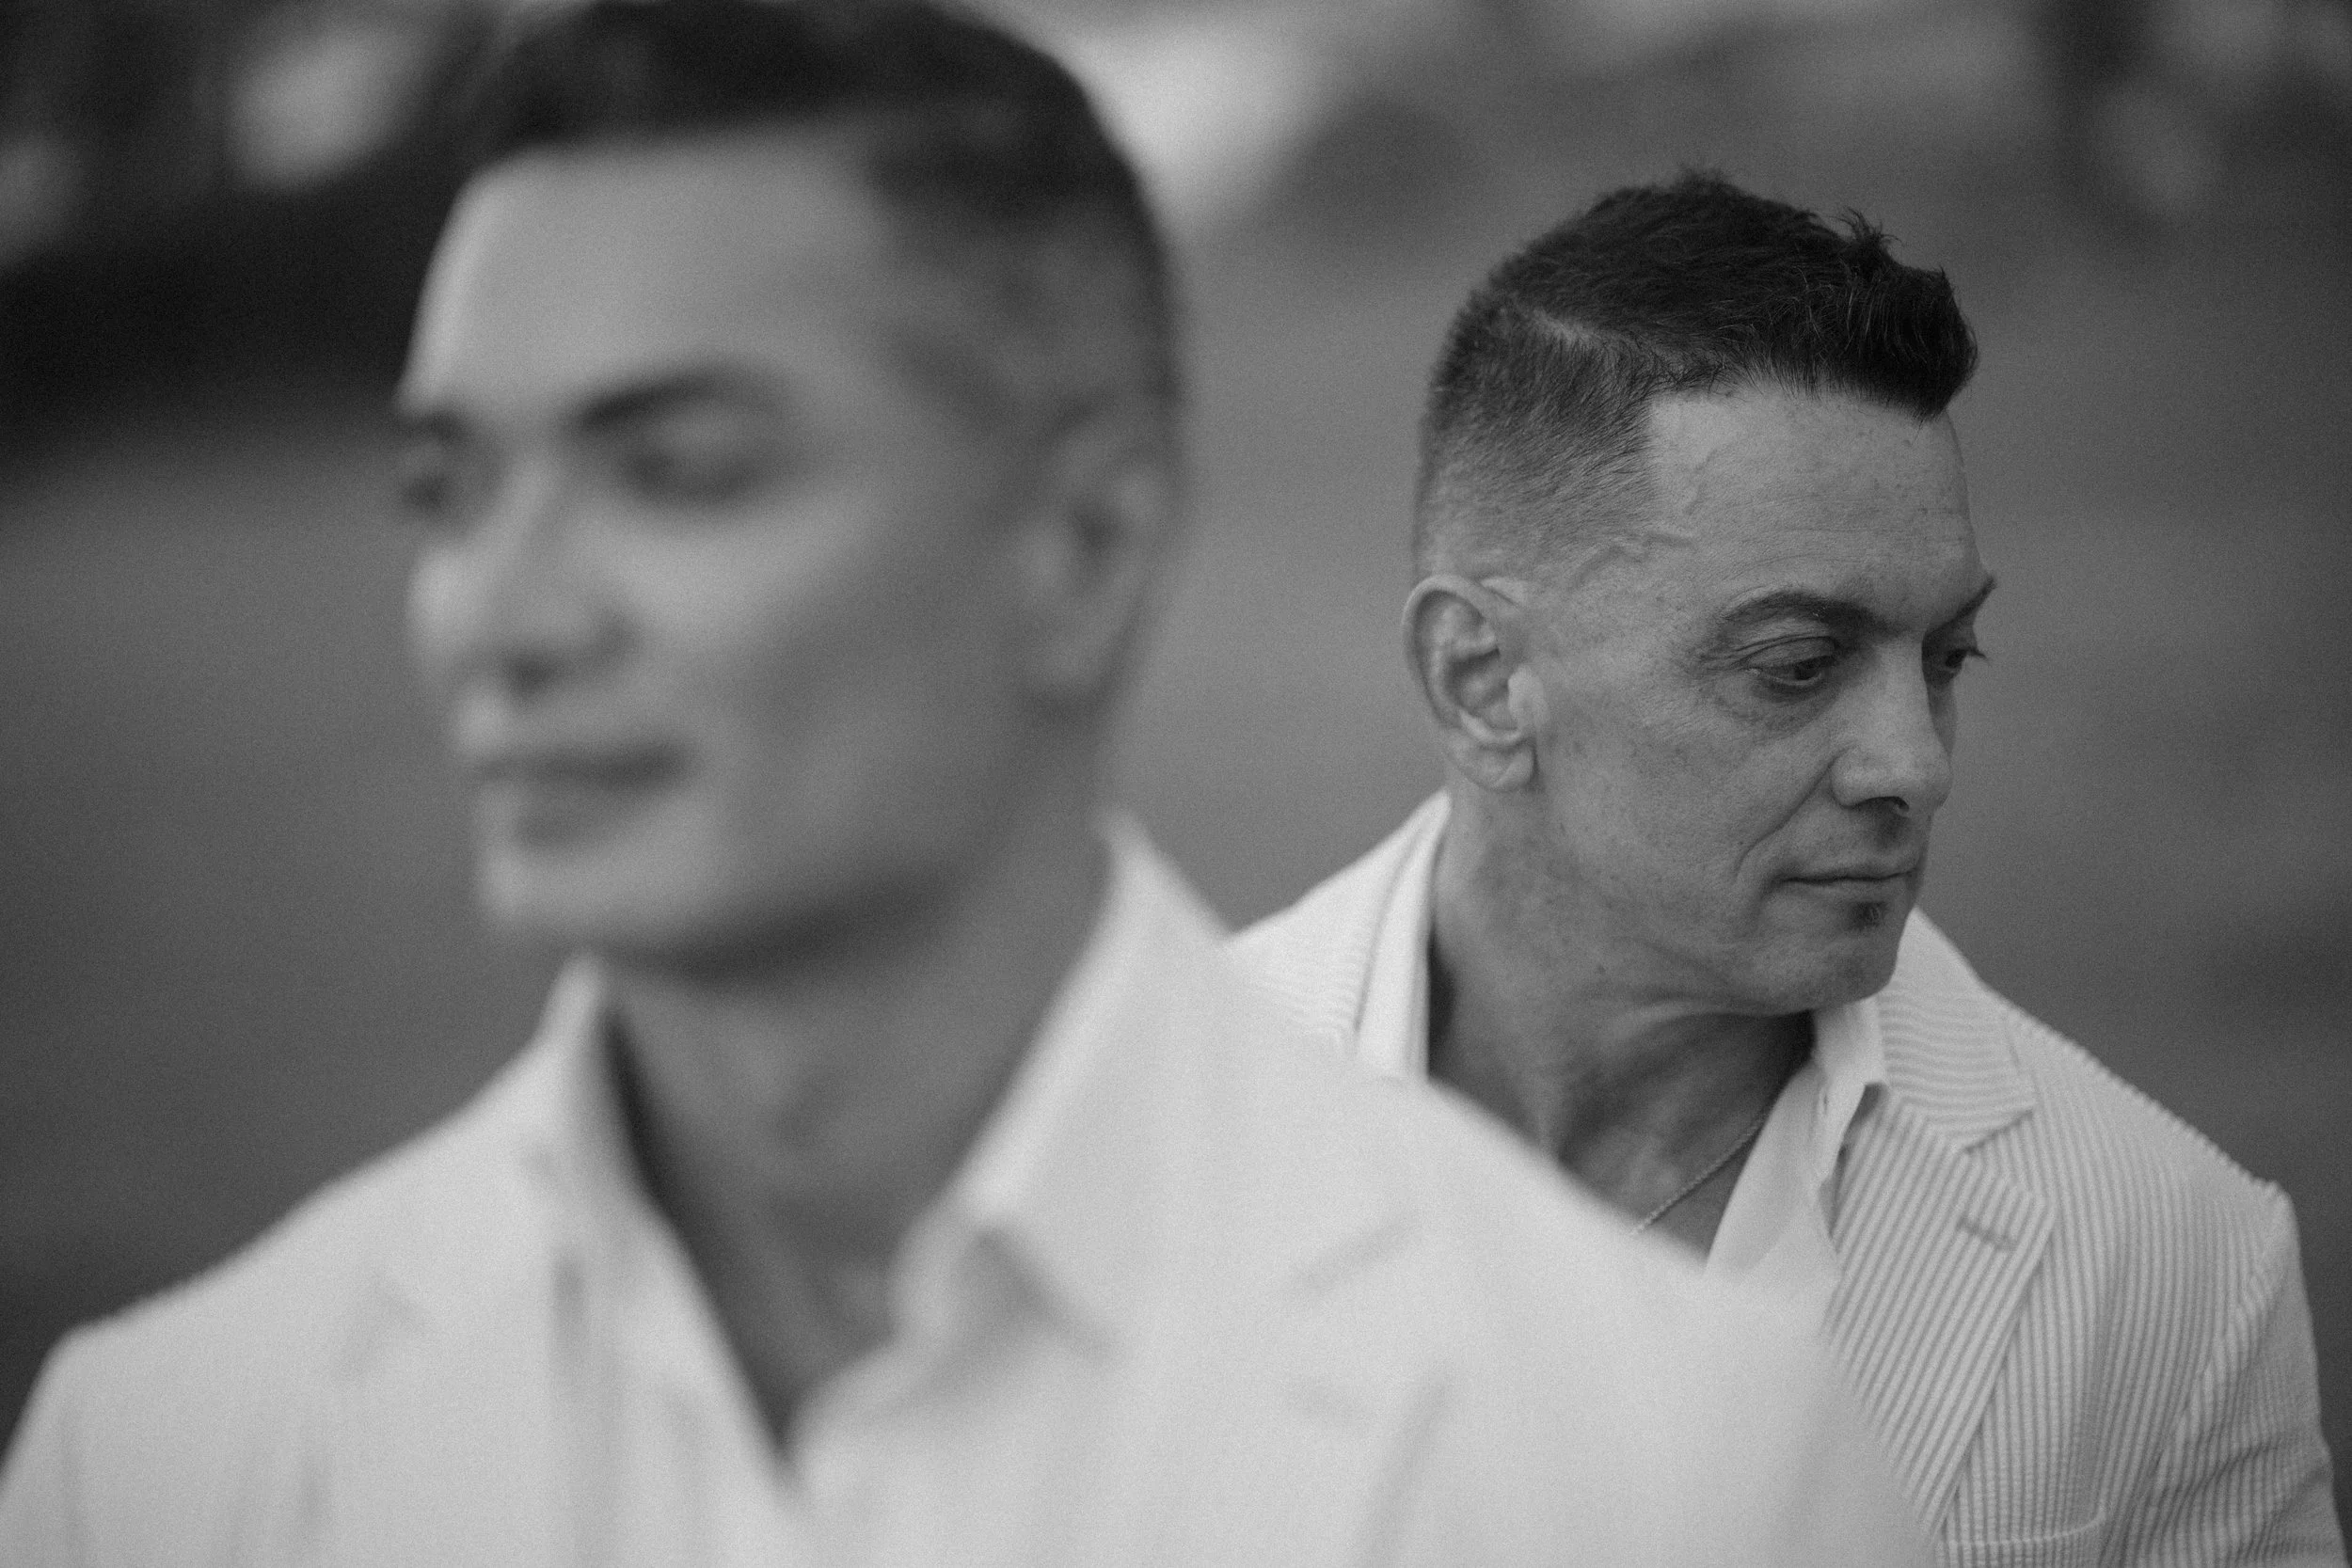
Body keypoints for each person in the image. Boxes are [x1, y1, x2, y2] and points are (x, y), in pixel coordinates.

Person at [0, 13, 1930, 1566]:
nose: (496, 616)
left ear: (1081, 543)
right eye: (452, 490)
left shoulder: (1659, 1459)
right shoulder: (168, 1457)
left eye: (676, 467)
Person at [1232, 171, 2346, 1565]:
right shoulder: (1122, 1135)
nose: (1914, 762)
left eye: (1947, 660)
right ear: (1482, 679)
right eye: (1796, 665)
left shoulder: (2169, 1267)